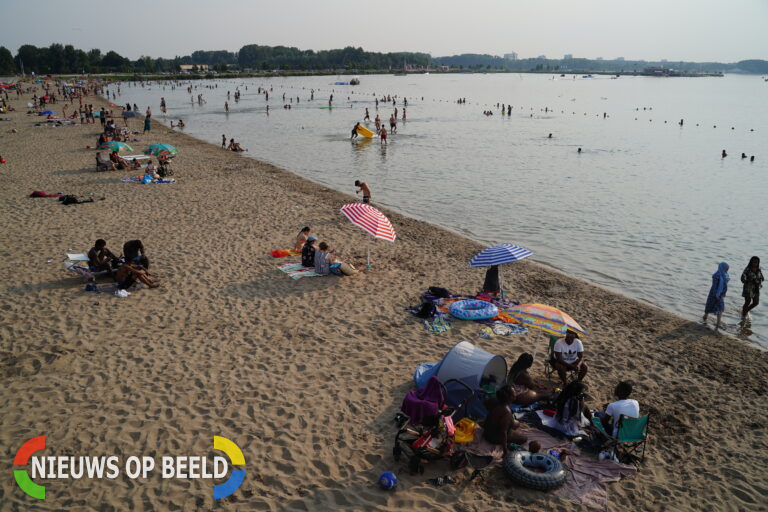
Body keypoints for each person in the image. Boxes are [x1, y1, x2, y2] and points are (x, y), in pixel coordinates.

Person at [482, 385, 527, 455]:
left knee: (516, 424)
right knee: (524, 438)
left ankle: (511, 426)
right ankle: (509, 441)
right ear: (510, 397)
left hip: (486, 432)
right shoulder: (506, 412)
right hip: (492, 437)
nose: (516, 393)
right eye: (514, 393)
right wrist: (505, 451)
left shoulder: (495, 401)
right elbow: (503, 433)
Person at [703, 262, 729, 330]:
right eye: (726, 269)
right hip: (714, 294)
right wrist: (716, 295)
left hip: (720, 295)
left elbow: (724, 286)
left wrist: (722, 294)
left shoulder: (725, 275)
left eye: (727, 269)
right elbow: (714, 286)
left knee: (720, 308)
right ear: (722, 268)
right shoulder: (716, 276)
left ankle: (718, 323)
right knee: (709, 306)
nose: (727, 270)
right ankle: (705, 317)